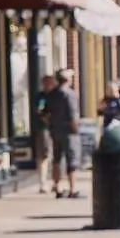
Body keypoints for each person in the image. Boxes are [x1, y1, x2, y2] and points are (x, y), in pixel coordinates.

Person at [41, 68, 82, 199]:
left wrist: (51, 124)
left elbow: (44, 113)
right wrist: (75, 129)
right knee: (72, 160)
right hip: (69, 132)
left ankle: (57, 187)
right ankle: (73, 188)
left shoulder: (52, 93)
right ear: (68, 79)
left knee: (56, 159)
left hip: (55, 131)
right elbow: (72, 115)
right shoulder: (69, 94)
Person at [34, 74, 56, 193]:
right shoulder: (41, 97)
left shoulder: (57, 95)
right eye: (47, 83)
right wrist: (47, 120)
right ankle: (43, 182)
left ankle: (54, 182)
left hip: (56, 129)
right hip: (45, 129)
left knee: (55, 156)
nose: (50, 85)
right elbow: (39, 111)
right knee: (44, 155)